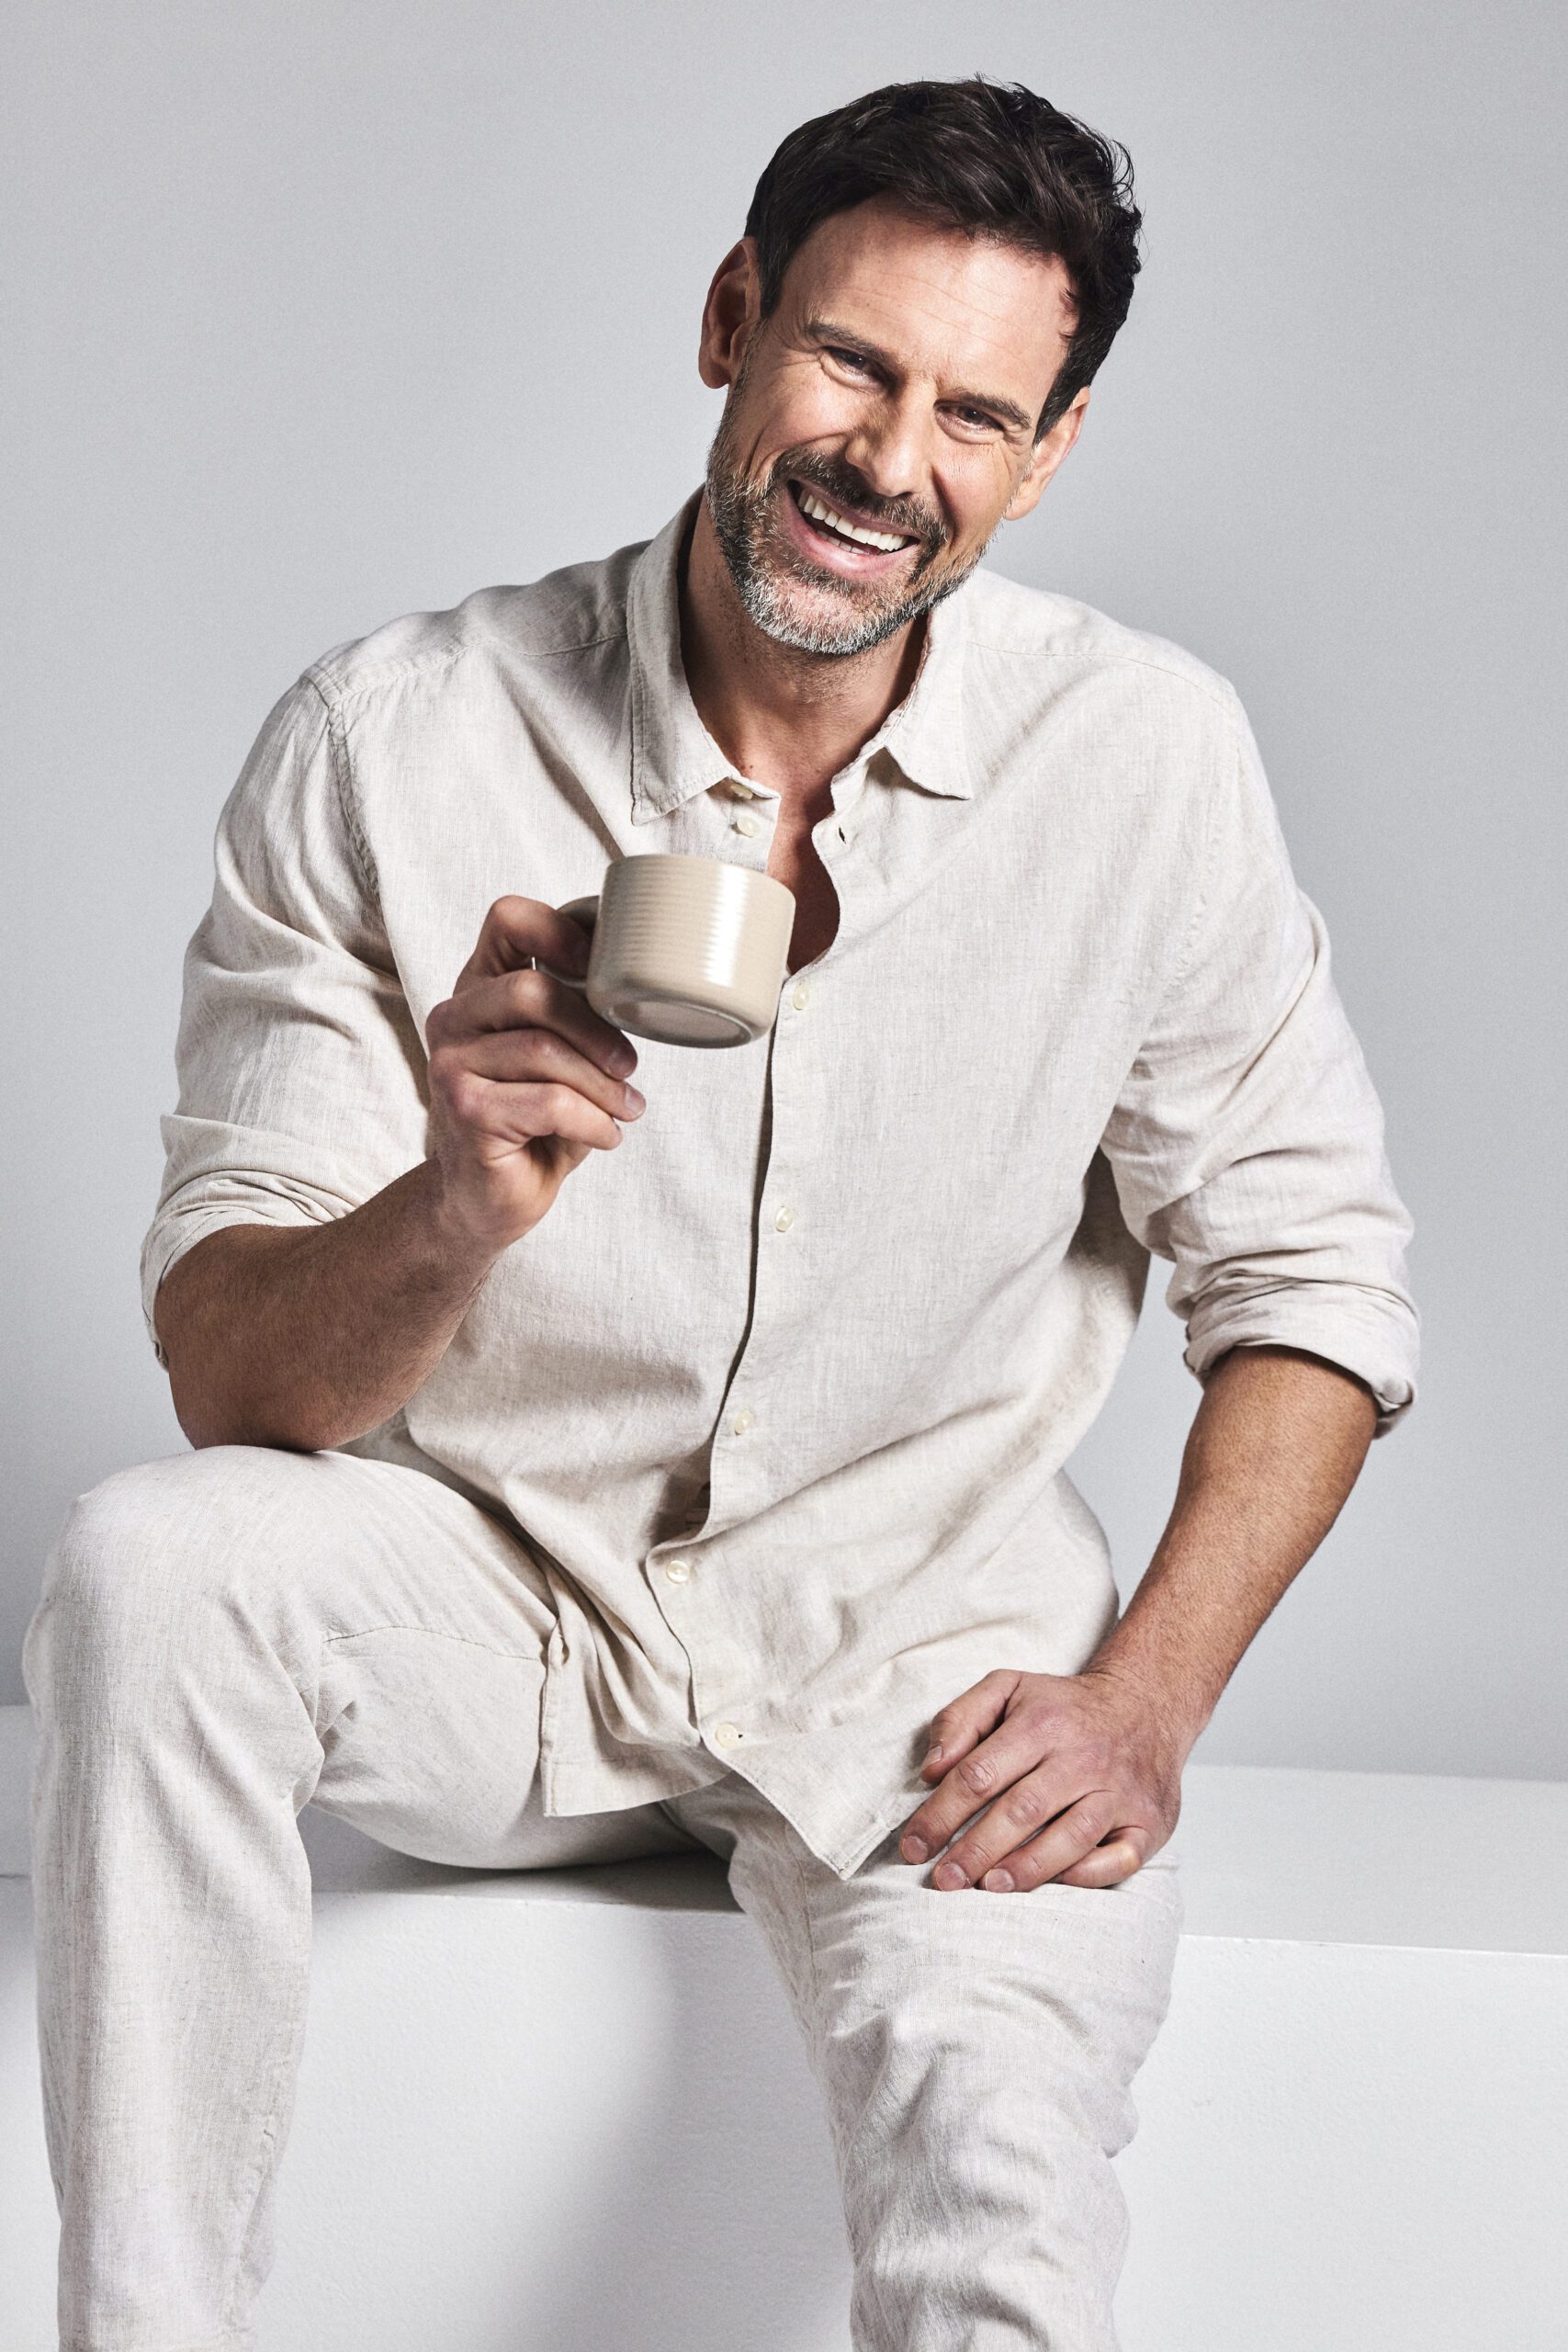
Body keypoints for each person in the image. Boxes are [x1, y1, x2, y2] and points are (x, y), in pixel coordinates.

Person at [23, 74, 1418, 2352]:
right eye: (850, 361)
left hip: (920, 1649)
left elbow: (1314, 1281)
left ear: (1046, 453)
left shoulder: (1143, 757)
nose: (891, 457)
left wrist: (1144, 1700)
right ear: (728, 320)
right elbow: (228, 1374)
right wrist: (451, 1201)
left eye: (976, 412)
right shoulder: (389, 734)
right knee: (149, 1563)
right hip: (503, 1610)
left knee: (997, 2228)